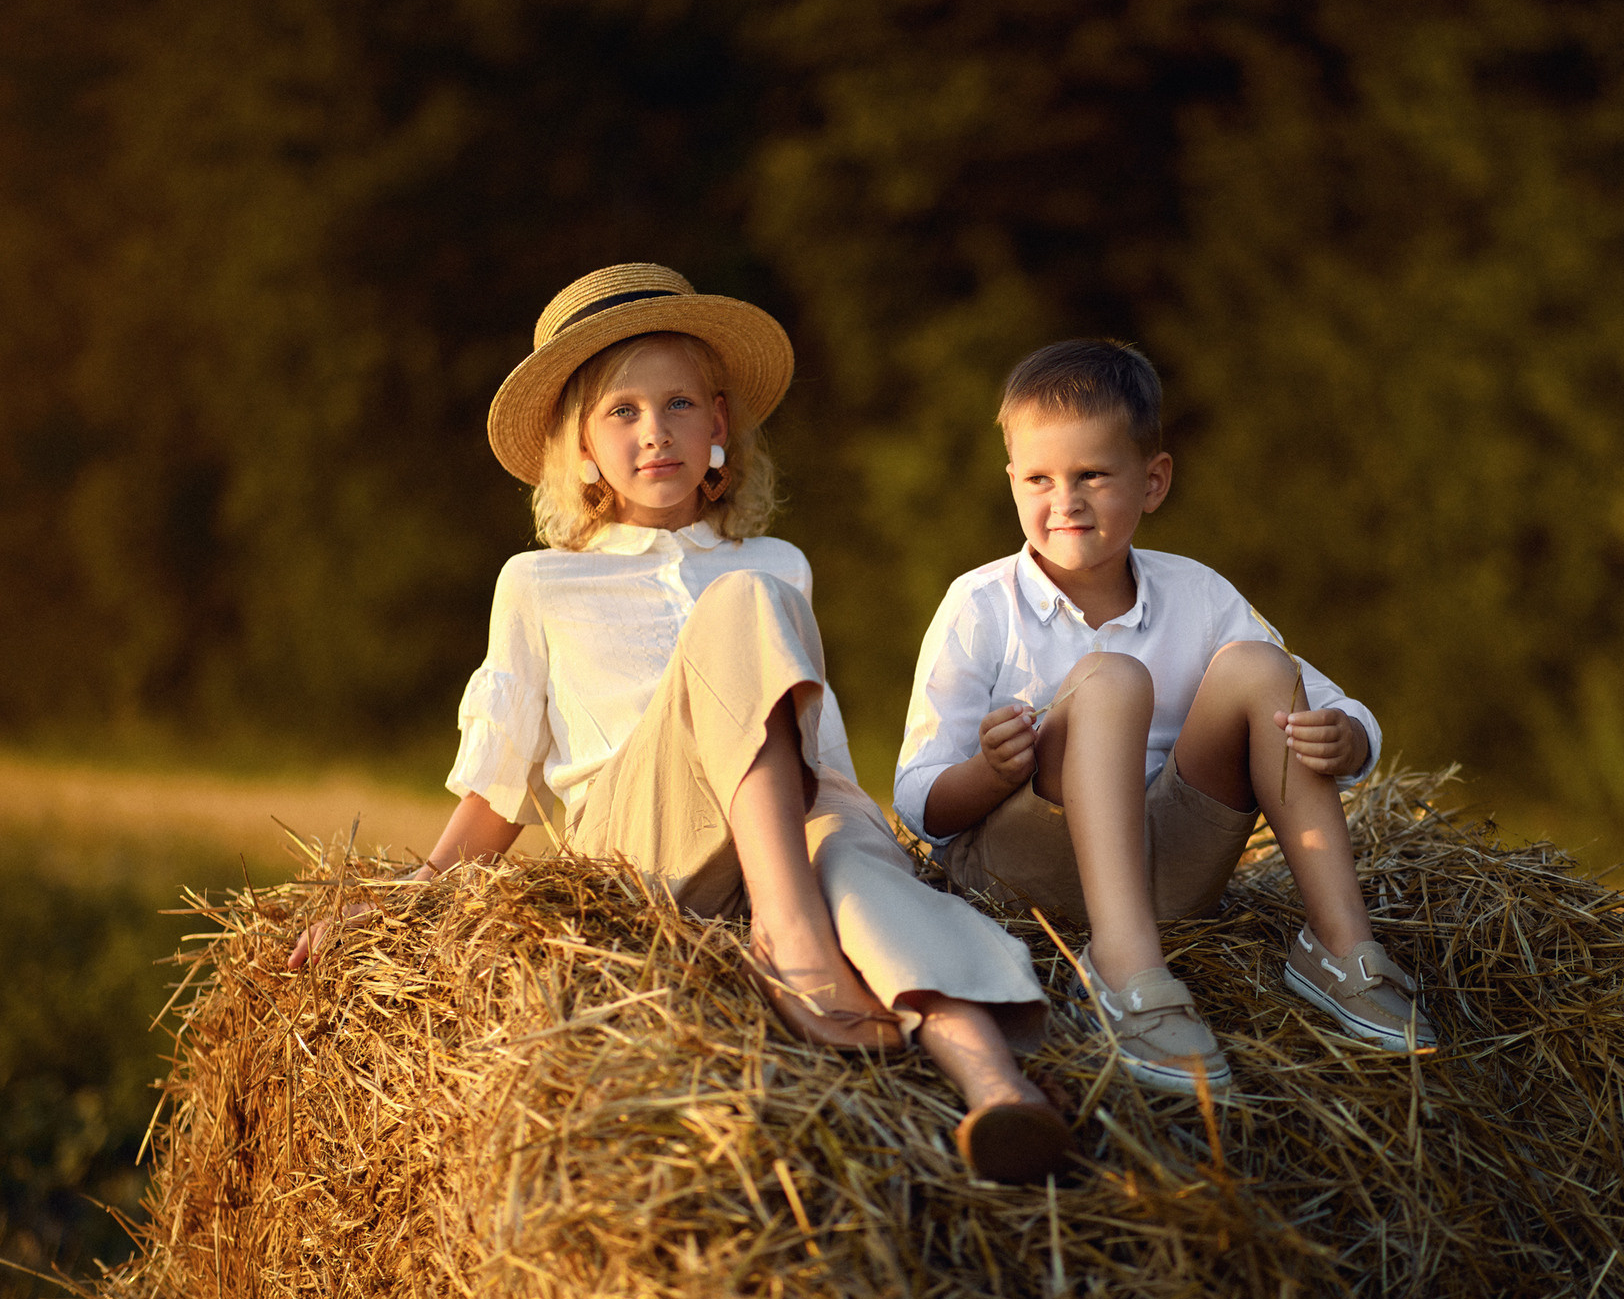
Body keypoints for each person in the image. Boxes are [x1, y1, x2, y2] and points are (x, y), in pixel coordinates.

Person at [290, 264, 1069, 1184]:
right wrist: (410, 897)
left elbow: (814, 751)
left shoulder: (782, 561)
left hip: (787, 813)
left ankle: (996, 1089)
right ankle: (789, 936)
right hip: (643, 855)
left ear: (719, 428)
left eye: (678, 404)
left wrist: (856, 844)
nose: (653, 431)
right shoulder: (537, 583)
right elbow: (499, 785)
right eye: (620, 412)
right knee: (745, 612)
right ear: (579, 446)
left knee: (863, 875)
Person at [895, 339, 1435, 1096]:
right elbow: (918, 801)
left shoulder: (1201, 595)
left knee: (1259, 667)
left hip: (1172, 871)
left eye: (1092, 475)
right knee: (1113, 681)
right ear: (1011, 482)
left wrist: (1349, 736)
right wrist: (991, 771)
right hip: (1026, 875)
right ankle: (1123, 964)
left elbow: (1318, 695)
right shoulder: (979, 606)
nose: (1066, 501)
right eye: (1041, 479)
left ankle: (1342, 947)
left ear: (1153, 481)